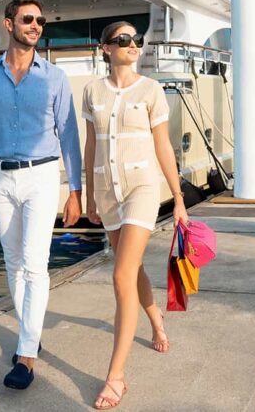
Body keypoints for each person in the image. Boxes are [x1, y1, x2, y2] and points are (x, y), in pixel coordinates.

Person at [0, 0, 83, 391]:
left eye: (40, 20)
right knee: (13, 263)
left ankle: (26, 356)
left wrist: (75, 190)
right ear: (9, 24)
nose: (36, 25)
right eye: (28, 19)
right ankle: (30, 332)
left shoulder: (54, 77)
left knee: (35, 264)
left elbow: (69, 134)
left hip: (42, 175)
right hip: (0, 178)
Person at [79, 21, 188, 409]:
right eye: (123, 40)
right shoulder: (92, 91)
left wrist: (178, 198)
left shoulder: (151, 90)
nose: (132, 44)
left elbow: (163, 146)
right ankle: (155, 317)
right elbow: (91, 146)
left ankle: (116, 376)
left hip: (142, 188)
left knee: (121, 275)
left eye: (136, 39)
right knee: (133, 269)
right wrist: (89, 197)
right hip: (107, 192)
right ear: (105, 48)